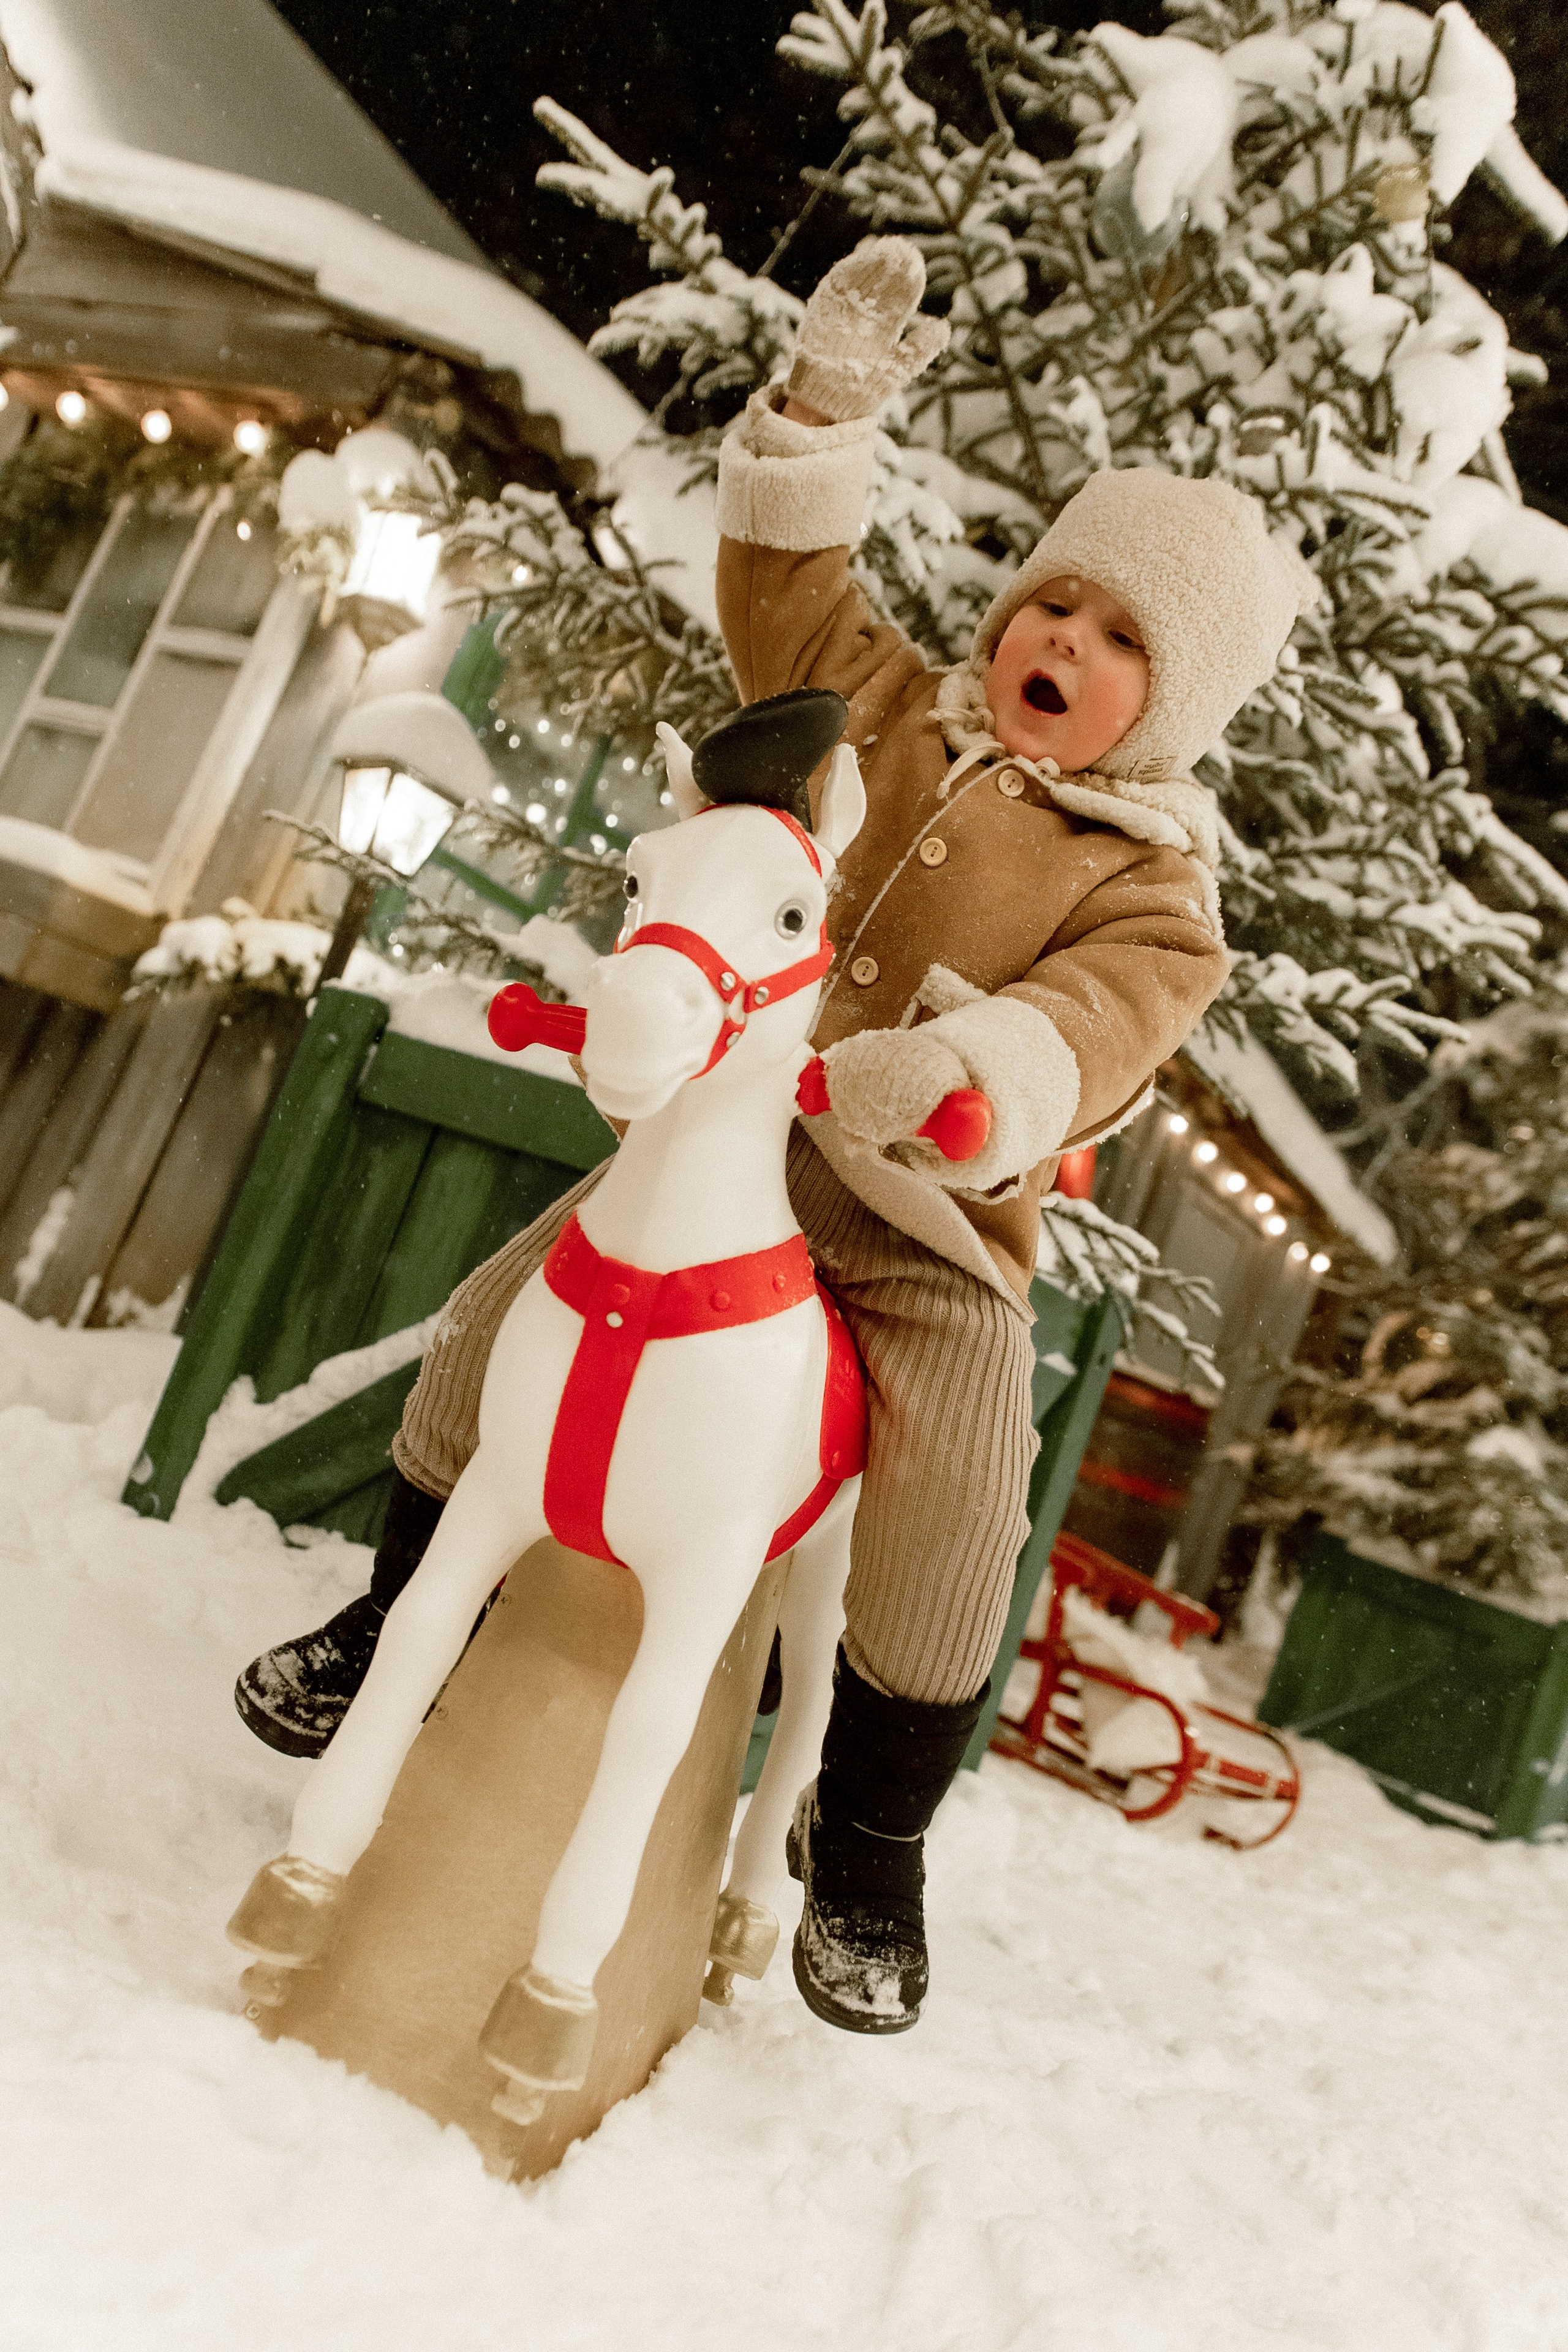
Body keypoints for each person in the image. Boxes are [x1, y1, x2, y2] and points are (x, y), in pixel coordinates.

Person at [236, 239, 1313, 2033]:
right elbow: (787, 590)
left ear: (1175, 705)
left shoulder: (1153, 889)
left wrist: (976, 1076)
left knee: (964, 1488)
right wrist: (822, 414)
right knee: (505, 1315)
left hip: (912, 1231)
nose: (1067, 643)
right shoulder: (893, 706)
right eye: (1060, 601)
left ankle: (872, 1836)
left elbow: (1101, 1033)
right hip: (730, 1164)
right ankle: (389, 1625)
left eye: (1126, 643)